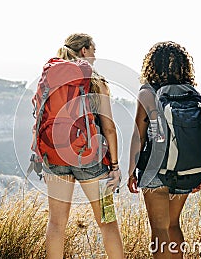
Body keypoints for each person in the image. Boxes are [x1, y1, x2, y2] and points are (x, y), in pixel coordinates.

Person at [36, 33, 124, 259]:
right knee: (107, 221)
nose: (94, 58)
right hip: (90, 158)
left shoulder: (49, 76)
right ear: (84, 50)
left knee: (56, 223)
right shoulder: (95, 80)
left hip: (54, 156)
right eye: (93, 52)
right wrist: (114, 165)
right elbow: (109, 127)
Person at [127, 41, 201, 259]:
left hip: (155, 169)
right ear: (183, 65)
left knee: (159, 230)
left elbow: (138, 135)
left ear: (151, 65)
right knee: (173, 225)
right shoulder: (191, 93)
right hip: (185, 166)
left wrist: (132, 170)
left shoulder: (147, 92)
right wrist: (197, 171)